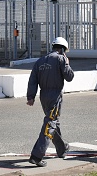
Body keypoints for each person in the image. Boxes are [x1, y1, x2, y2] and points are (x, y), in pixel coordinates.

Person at [26, 36, 75, 167]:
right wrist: (67, 63)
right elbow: (69, 77)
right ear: (63, 49)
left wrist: (30, 97)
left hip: (43, 96)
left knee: (53, 121)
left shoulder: (40, 61)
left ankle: (62, 149)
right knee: (50, 124)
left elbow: (32, 80)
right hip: (55, 95)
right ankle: (37, 155)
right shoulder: (60, 59)